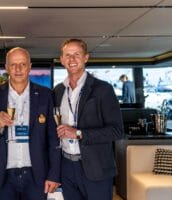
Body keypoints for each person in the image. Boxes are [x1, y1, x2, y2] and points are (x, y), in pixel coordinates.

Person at [0, 47, 61, 200]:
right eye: (13, 64)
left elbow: (53, 138)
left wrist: (54, 174)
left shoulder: (46, 95)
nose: (18, 69)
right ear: (6, 67)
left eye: (23, 64)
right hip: (3, 175)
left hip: (36, 174)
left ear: (30, 66)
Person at [53, 39, 124, 200]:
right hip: (67, 168)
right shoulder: (58, 91)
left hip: (96, 168)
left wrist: (79, 133)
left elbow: (117, 131)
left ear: (86, 57)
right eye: (68, 55)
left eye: (77, 54)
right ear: (62, 59)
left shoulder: (103, 89)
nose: (72, 59)